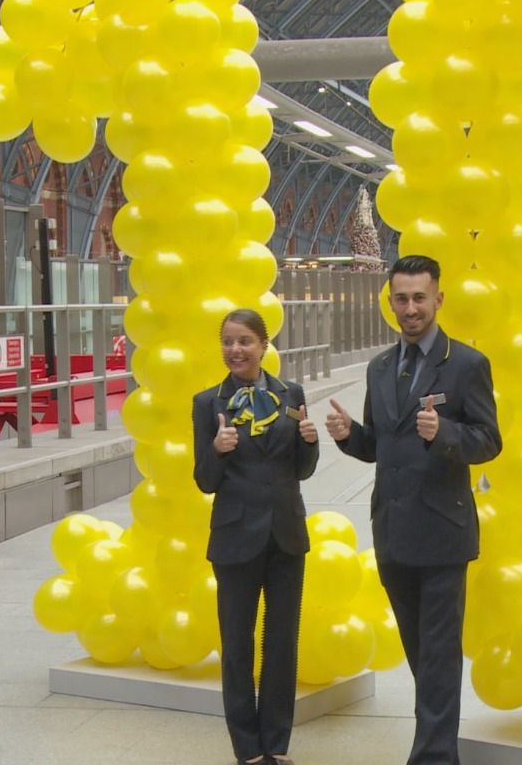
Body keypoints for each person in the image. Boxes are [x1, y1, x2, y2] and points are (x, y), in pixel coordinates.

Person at [324, 255, 502, 765]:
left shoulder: (466, 364)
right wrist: (349, 436)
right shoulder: (380, 367)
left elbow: (489, 441)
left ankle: (432, 757)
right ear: (390, 301)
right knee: (423, 655)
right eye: (401, 299)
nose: (410, 308)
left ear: (438, 299)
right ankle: (440, 747)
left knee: (439, 656)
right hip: (393, 532)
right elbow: (380, 445)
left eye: (419, 297)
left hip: (443, 534)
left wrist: (445, 433)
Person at [194, 308, 319, 765]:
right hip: (235, 538)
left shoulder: (292, 394)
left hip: (286, 535)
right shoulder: (208, 403)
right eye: (228, 342)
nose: (235, 350)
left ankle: (277, 745)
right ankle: (247, 748)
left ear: (264, 346)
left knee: (282, 643)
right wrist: (217, 450)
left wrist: (310, 442)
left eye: (245, 341)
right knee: (238, 646)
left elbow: (301, 470)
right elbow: (205, 480)